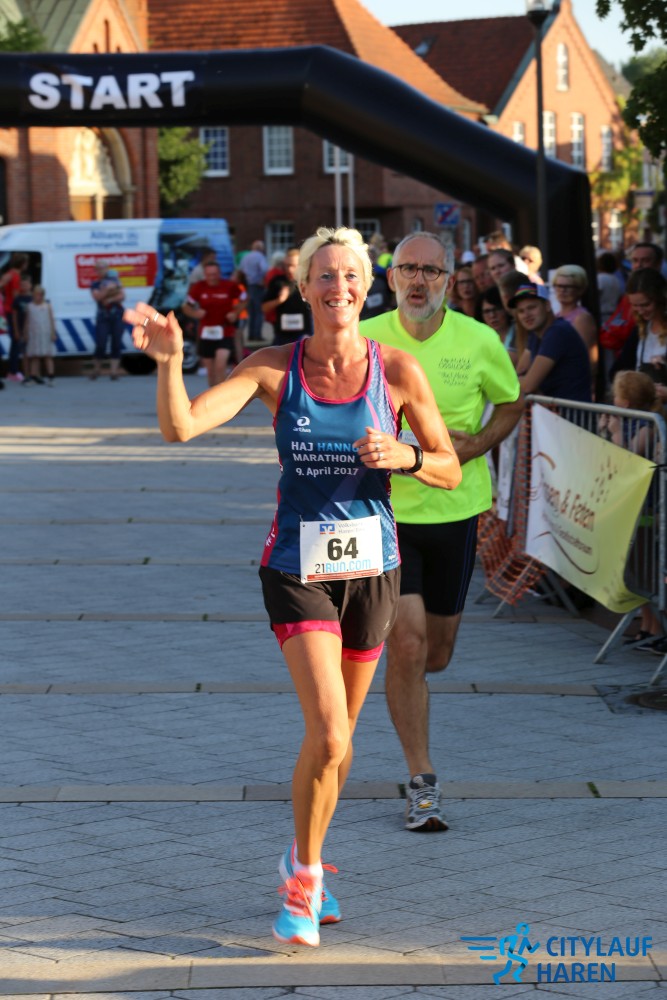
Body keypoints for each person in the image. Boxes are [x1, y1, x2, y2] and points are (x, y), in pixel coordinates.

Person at [124, 226, 462, 947]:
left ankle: (304, 856)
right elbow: (181, 428)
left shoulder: (397, 370)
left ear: (365, 288)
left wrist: (403, 455)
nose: (339, 287)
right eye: (325, 276)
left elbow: (448, 466)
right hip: (296, 569)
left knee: (338, 747)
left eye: (350, 276)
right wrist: (171, 362)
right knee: (330, 730)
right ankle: (304, 880)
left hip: (372, 570)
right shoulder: (274, 368)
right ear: (304, 287)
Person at [361, 232, 523, 831]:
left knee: (437, 653)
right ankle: (421, 780)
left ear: (449, 280)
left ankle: (406, 682)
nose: (419, 280)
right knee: (406, 644)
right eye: (408, 269)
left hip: (455, 509)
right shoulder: (365, 337)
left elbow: (511, 402)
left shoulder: (479, 340)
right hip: (385, 513)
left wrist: (477, 444)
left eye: (431, 271)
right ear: (391, 277)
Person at [598, 370, 665, 652]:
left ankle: (657, 628)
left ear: (625, 401)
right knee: (636, 571)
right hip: (629, 506)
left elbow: (627, 461)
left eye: (616, 394)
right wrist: (605, 429)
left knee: (646, 569)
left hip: (644, 508)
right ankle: (647, 626)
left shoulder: (646, 426)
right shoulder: (625, 420)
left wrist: (614, 433)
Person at [512, 282, 592, 402]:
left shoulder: (558, 331)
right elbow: (520, 372)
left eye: (531, 308)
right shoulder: (536, 334)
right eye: (521, 311)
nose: (526, 315)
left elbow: (528, 385)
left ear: (547, 306)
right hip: (554, 411)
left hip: (570, 412)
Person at [181, 260, 246, 387]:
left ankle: (222, 394)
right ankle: (213, 393)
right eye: (209, 275)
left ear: (219, 273)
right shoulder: (199, 287)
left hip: (225, 331)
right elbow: (186, 307)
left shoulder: (229, 286)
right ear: (205, 275)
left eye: (214, 274)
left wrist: (235, 313)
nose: (212, 277)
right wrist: (195, 313)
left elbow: (244, 299)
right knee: (210, 372)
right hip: (206, 333)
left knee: (220, 366)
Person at [621, 268, 667, 403]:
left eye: (646, 305)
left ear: (660, 299)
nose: (640, 311)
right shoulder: (641, 329)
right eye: (635, 306)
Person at [551, 264, 598, 377]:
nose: (562, 290)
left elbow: (586, 358)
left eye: (568, 286)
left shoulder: (582, 318)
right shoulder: (556, 316)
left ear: (580, 290)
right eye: (559, 286)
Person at [262, 246, 312, 345]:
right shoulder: (277, 281)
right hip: (282, 336)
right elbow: (264, 308)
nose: (289, 269)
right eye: (287, 266)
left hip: (304, 335)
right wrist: (279, 300)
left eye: (293, 266)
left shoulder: (309, 282)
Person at [89, 259, 125, 380]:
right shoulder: (95, 284)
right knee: (101, 343)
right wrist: (107, 289)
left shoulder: (115, 280)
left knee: (116, 343)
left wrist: (110, 299)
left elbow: (122, 296)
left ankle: (113, 372)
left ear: (107, 268)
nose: (101, 270)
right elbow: (98, 297)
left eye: (103, 268)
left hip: (117, 315)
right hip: (103, 317)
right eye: (98, 268)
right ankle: (96, 369)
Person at [23, 285, 57, 385]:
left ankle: (51, 377)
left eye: (40, 295)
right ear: (33, 295)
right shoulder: (30, 306)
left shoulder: (47, 306)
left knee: (48, 356)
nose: (38, 297)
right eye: (36, 295)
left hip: (45, 333)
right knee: (35, 356)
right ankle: (33, 377)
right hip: (34, 334)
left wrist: (53, 332)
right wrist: (25, 333)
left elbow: (51, 320)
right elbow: (27, 321)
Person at [239, 239, 268, 342]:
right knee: (259, 311)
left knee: (251, 312)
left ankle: (251, 335)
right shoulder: (260, 257)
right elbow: (264, 269)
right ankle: (257, 335)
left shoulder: (246, 257)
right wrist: (260, 278)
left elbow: (241, 270)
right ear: (261, 248)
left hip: (248, 286)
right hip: (257, 286)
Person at [7, 273, 32, 383]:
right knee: (24, 352)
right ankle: (26, 374)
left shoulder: (33, 298)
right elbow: (14, 316)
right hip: (21, 330)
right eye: (22, 285)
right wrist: (16, 330)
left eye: (26, 284)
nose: (24, 286)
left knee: (32, 353)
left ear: (30, 285)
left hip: (31, 330)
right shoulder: (17, 299)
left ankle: (34, 374)